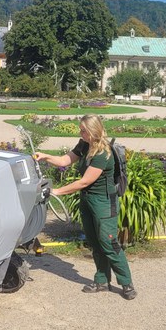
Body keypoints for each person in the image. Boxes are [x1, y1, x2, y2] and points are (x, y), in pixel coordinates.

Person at [34, 114, 137, 300]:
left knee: (109, 243)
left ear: (93, 131)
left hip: (104, 203)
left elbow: (84, 181)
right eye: (80, 129)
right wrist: (46, 156)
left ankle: (126, 283)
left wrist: (57, 191)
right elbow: (65, 160)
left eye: (83, 130)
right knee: (95, 242)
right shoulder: (84, 144)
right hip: (88, 201)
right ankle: (102, 281)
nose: (80, 133)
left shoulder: (103, 153)